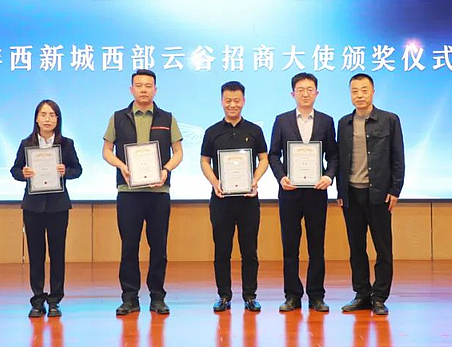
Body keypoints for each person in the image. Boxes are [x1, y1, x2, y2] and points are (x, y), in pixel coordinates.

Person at [102, 69, 183, 316]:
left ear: (155, 90)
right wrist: (122, 166)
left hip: (159, 192)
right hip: (128, 192)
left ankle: (157, 297)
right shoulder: (118, 117)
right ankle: (129, 298)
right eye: (139, 85)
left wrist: (166, 169)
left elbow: (178, 152)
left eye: (148, 86)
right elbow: (106, 151)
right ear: (131, 89)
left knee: (158, 247)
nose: (144, 90)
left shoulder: (167, 118)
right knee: (129, 247)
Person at [268, 72, 338, 313]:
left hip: (316, 192)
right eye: (300, 90)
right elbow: (273, 154)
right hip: (290, 192)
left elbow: (333, 155)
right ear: (292, 94)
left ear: (317, 93)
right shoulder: (282, 120)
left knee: (316, 246)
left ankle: (316, 296)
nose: (305, 94)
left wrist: (329, 176)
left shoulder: (326, 121)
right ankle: (292, 295)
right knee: (290, 246)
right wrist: (281, 177)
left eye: (310, 89)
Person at [337, 73, 404, 316]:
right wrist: (340, 191)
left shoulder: (389, 120)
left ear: (373, 91)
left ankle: (380, 297)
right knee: (357, 248)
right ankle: (362, 295)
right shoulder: (343, 123)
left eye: (364, 90)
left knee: (383, 249)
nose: (359, 95)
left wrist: (395, 189)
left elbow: (398, 158)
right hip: (351, 195)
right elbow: (340, 159)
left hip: (379, 195)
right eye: (355, 91)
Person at [200, 81, 269, 312]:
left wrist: (255, 180)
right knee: (222, 250)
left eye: (237, 100)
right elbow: (204, 161)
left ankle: (250, 295)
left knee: (250, 250)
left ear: (244, 101)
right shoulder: (212, 132)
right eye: (228, 100)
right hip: (221, 200)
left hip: (248, 200)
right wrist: (215, 182)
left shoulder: (254, 130)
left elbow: (264, 158)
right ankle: (224, 296)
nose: (232, 105)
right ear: (221, 101)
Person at [10, 99, 82, 318]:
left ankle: (55, 300)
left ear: (58, 119)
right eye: (43, 114)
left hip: (58, 206)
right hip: (33, 207)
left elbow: (77, 170)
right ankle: (37, 299)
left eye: (52, 115)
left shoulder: (66, 144)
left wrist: (65, 171)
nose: (47, 119)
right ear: (36, 118)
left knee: (57, 254)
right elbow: (14, 170)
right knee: (36, 254)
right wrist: (23, 173)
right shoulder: (26, 144)